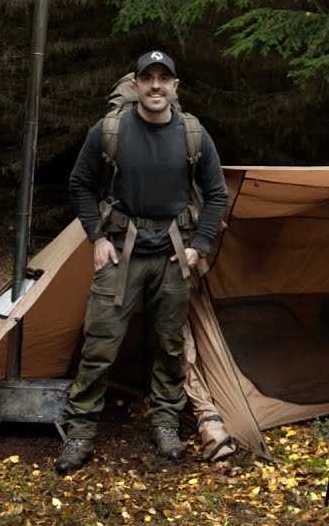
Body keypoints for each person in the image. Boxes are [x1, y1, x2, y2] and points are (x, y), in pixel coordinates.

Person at [55, 49, 229, 474]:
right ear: (135, 84)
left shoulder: (193, 133)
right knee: (100, 344)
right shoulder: (110, 130)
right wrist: (97, 237)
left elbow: (217, 194)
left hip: (173, 254)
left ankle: (166, 423)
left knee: (169, 346)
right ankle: (80, 432)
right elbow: (80, 184)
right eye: (147, 77)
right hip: (120, 251)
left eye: (163, 78)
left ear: (175, 86)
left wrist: (199, 245)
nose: (155, 85)